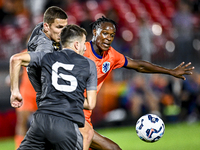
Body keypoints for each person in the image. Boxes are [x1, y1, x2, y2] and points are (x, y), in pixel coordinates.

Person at [81, 16, 195, 150]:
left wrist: (170, 71)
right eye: (104, 33)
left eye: (112, 35)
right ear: (94, 32)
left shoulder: (112, 55)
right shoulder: (81, 51)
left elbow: (139, 65)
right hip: (73, 113)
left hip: (85, 116)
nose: (108, 38)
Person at [9, 24, 97, 149]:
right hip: (64, 120)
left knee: (23, 125)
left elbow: (15, 59)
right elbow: (90, 104)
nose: (85, 48)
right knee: (87, 133)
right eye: (84, 43)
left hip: (42, 115)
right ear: (77, 44)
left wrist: (14, 91)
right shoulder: (88, 64)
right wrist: (69, 96)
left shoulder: (46, 55)